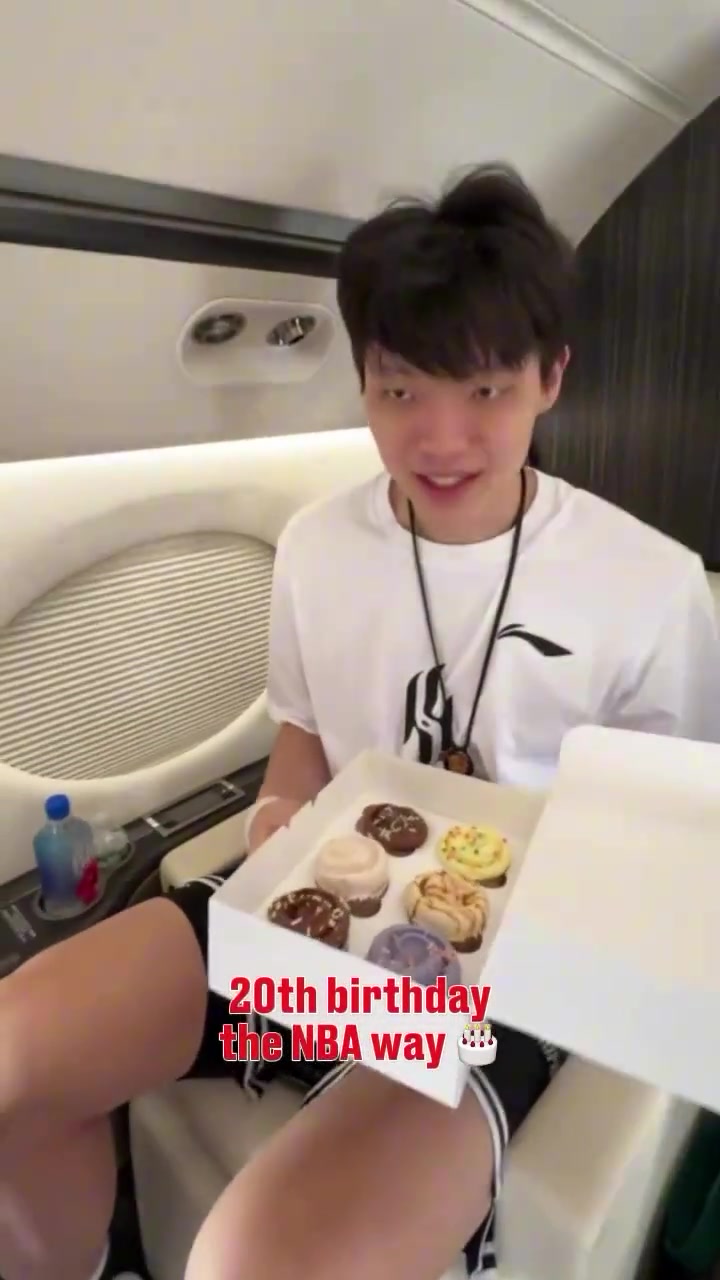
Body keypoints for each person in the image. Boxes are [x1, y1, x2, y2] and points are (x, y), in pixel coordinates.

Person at [1, 164, 719, 1280]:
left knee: (252, 1258)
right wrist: (279, 817)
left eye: (485, 389)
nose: (440, 436)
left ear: (552, 377)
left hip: (498, 988)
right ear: (364, 384)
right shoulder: (317, 545)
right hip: (306, 931)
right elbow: (302, 738)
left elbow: (669, 859)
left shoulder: (650, 585)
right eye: (400, 390)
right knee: (13, 1056)